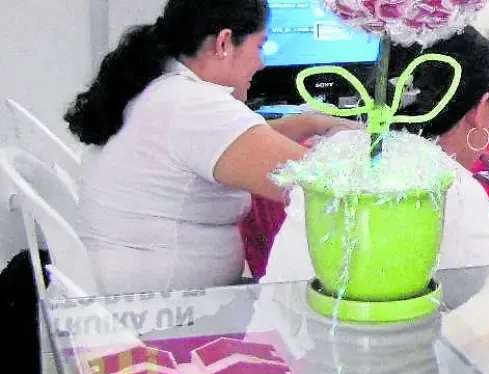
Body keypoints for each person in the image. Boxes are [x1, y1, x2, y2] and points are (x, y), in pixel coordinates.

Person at [262, 28, 489, 343]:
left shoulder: (337, 152)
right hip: (359, 368)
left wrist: (481, 224)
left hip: (279, 353)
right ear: (481, 109)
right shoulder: (445, 183)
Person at [65, 0, 356, 295]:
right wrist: (354, 145)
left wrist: (311, 123)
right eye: (259, 46)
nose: (261, 63)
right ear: (224, 42)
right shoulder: (194, 106)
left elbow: (241, 142)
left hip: (134, 294)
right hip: (165, 308)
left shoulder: (166, 90)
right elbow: (326, 183)